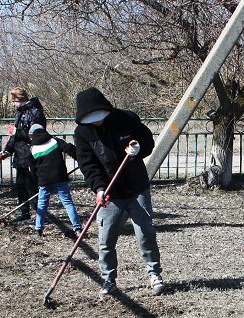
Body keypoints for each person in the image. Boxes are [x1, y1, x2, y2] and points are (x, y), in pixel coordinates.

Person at [73, 87, 164, 296]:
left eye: (99, 117)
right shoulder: (82, 133)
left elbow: (147, 141)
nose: (97, 122)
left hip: (137, 187)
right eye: (92, 119)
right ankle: (108, 279)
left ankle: (155, 274)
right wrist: (99, 188)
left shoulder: (126, 118)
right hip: (110, 193)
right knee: (106, 239)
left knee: (146, 233)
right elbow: (88, 165)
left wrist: (139, 149)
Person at [0, 86, 46, 222]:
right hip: (20, 156)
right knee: (21, 186)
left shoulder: (35, 113)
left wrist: (17, 132)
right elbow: (15, 137)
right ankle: (24, 212)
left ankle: (40, 216)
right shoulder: (20, 113)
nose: (12, 104)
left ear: (19, 99)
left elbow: (37, 134)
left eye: (13, 101)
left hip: (32, 155)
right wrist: (7, 151)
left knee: (33, 187)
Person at [28, 123, 82, 239]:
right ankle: (77, 228)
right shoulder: (55, 140)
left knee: (42, 204)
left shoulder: (32, 148)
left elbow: (33, 169)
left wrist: (38, 179)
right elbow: (70, 148)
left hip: (44, 180)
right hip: (60, 177)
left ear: (32, 135)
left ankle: (38, 229)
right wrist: (81, 159)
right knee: (68, 203)